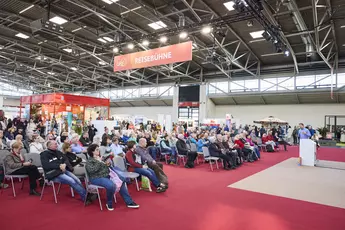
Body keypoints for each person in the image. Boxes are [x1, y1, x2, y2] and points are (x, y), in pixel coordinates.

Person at [86, 144, 139, 211]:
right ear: (92, 151)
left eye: (98, 149)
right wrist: (99, 162)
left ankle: (129, 202)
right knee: (111, 185)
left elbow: (104, 168)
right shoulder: (89, 161)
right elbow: (92, 171)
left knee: (121, 180)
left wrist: (107, 164)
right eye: (96, 149)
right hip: (96, 178)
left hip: (106, 175)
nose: (98, 150)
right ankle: (109, 202)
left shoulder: (99, 158)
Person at [40, 140, 96, 204]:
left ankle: (86, 195)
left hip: (62, 170)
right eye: (55, 144)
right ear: (50, 145)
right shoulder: (44, 154)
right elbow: (46, 165)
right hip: (52, 173)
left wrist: (64, 165)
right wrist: (59, 166)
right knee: (71, 180)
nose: (57, 145)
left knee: (77, 180)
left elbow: (65, 159)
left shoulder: (58, 152)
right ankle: (85, 196)